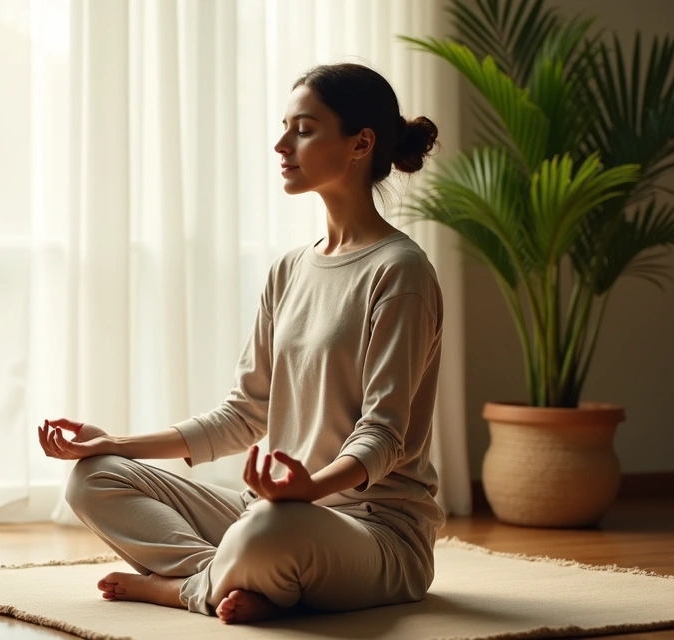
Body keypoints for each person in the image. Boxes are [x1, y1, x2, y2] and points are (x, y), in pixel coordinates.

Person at [37, 62, 444, 625]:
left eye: (303, 128)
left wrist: (309, 489)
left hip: (375, 533)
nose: (282, 143)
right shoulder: (288, 270)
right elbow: (244, 414)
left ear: (361, 144)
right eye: (284, 126)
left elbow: (385, 437)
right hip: (271, 513)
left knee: (266, 529)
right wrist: (113, 441)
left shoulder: (401, 272)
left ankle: (178, 588)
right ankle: (229, 579)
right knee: (94, 477)